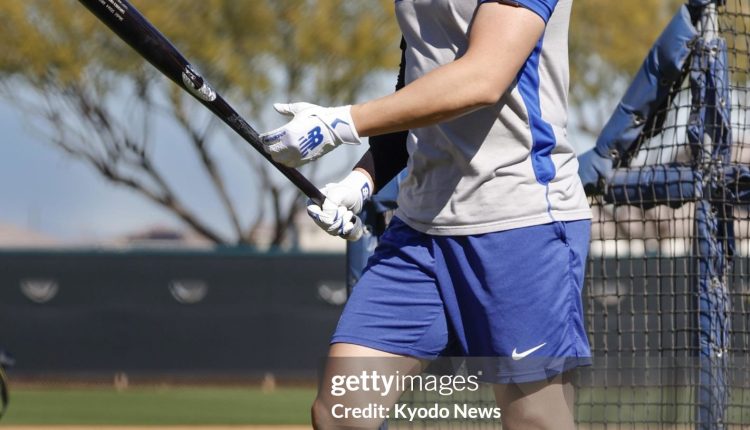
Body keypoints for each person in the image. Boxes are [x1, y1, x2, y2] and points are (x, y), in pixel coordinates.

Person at [261, 1, 592, 428]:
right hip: (419, 229)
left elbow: (483, 78)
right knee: (341, 413)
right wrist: (361, 182)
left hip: (520, 220)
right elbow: (419, 80)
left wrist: (341, 123)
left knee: (535, 421)